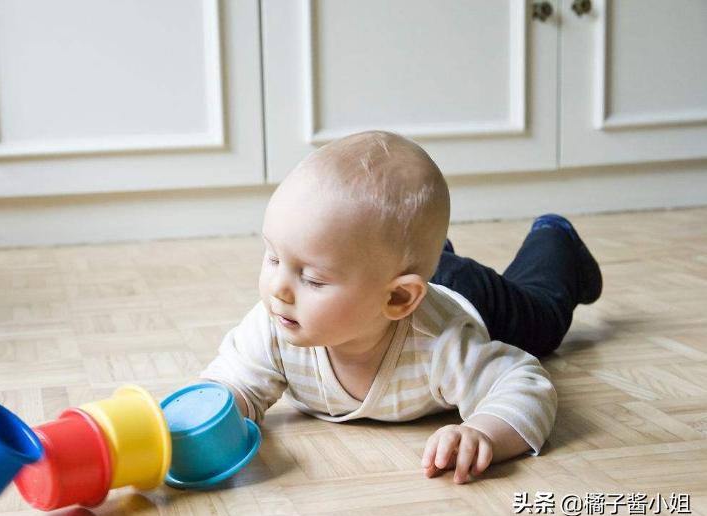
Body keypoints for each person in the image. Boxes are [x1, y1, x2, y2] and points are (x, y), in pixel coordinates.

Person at [199, 131, 602, 484]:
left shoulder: (442, 344)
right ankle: (427, 251)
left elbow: (523, 384)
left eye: (313, 279)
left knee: (545, 322)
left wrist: (484, 433)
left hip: (465, 292)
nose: (277, 289)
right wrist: (209, 418)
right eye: (272, 258)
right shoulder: (274, 324)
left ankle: (554, 238)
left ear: (398, 299)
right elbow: (235, 384)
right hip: (399, 277)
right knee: (392, 247)